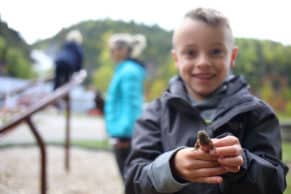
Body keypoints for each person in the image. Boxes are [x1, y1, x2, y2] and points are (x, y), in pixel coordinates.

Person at [124, 7, 288, 194]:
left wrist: (243, 164)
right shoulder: (155, 113)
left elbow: (275, 183)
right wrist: (171, 168)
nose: (203, 62)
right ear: (176, 59)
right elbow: (133, 182)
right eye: (191, 53)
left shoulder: (257, 113)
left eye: (216, 51)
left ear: (232, 57)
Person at [105, 33, 147, 180]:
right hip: (121, 131)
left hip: (126, 134)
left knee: (129, 178)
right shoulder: (123, 70)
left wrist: (126, 133)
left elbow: (132, 103)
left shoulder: (129, 71)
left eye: (114, 49)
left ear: (124, 50)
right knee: (128, 177)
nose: (111, 53)